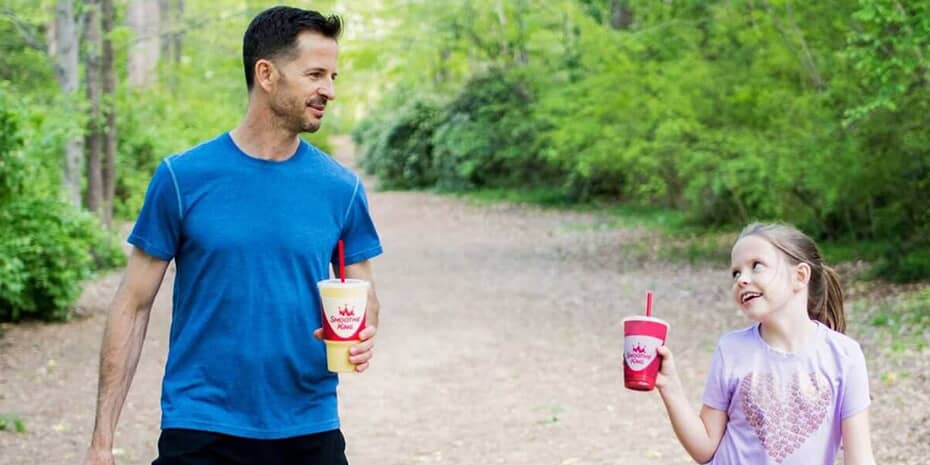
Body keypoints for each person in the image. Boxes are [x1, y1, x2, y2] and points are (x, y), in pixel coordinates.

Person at [82, 6, 382, 465]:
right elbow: (132, 305)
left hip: (309, 428)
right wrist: (102, 442)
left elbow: (363, 291)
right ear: (266, 73)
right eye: (316, 74)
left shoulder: (340, 188)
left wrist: (364, 331)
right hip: (201, 429)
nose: (330, 90)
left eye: (334, 76)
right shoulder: (182, 178)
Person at [655, 223, 876, 465]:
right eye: (736, 273)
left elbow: (860, 459)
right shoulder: (731, 350)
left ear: (799, 276)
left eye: (756, 266)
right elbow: (705, 448)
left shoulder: (844, 355)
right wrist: (669, 386)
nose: (741, 280)